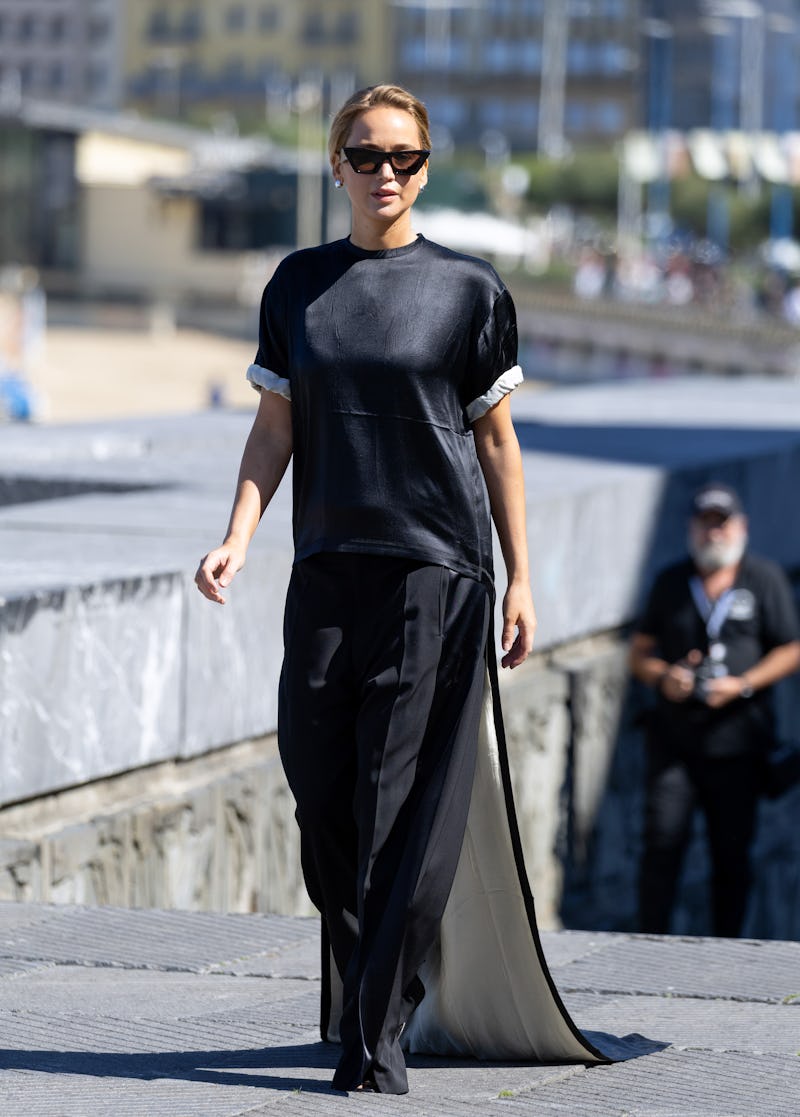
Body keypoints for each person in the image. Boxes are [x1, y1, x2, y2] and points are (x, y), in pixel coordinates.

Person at [197, 83, 636, 1094]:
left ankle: (375, 1038)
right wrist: (235, 537)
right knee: (320, 793)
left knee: (396, 801)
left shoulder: (469, 290)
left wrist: (523, 578)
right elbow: (275, 428)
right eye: (364, 155)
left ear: (425, 167)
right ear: (336, 165)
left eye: (401, 156)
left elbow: (496, 441)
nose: (382, 172)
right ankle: (381, 991)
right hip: (324, 569)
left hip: (437, 570)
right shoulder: (297, 285)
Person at [630, 481, 800, 938]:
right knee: (661, 845)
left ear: (740, 528)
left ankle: (726, 949)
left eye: (721, 525)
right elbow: (639, 653)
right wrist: (665, 678)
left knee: (732, 855)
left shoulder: (763, 579)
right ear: (692, 529)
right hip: (675, 741)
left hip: (737, 743)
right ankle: (649, 944)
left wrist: (742, 684)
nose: (713, 534)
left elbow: (791, 649)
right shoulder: (672, 581)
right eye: (705, 525)